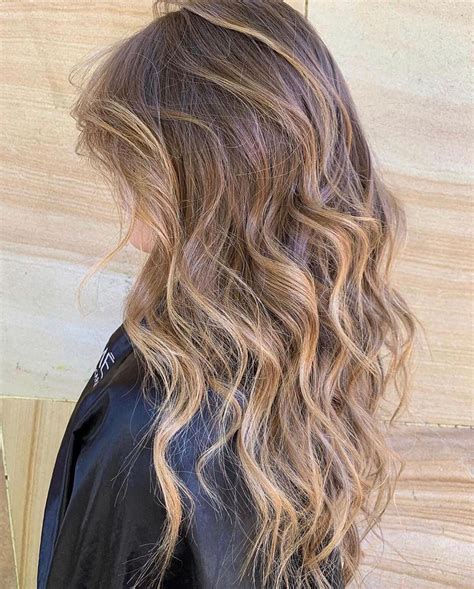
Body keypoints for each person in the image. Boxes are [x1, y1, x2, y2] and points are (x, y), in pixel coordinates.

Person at [37, 1, 418, 588]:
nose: (134, 234)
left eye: (143, 183)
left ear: (207, 189)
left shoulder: (144, 425)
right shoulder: (305, 373)